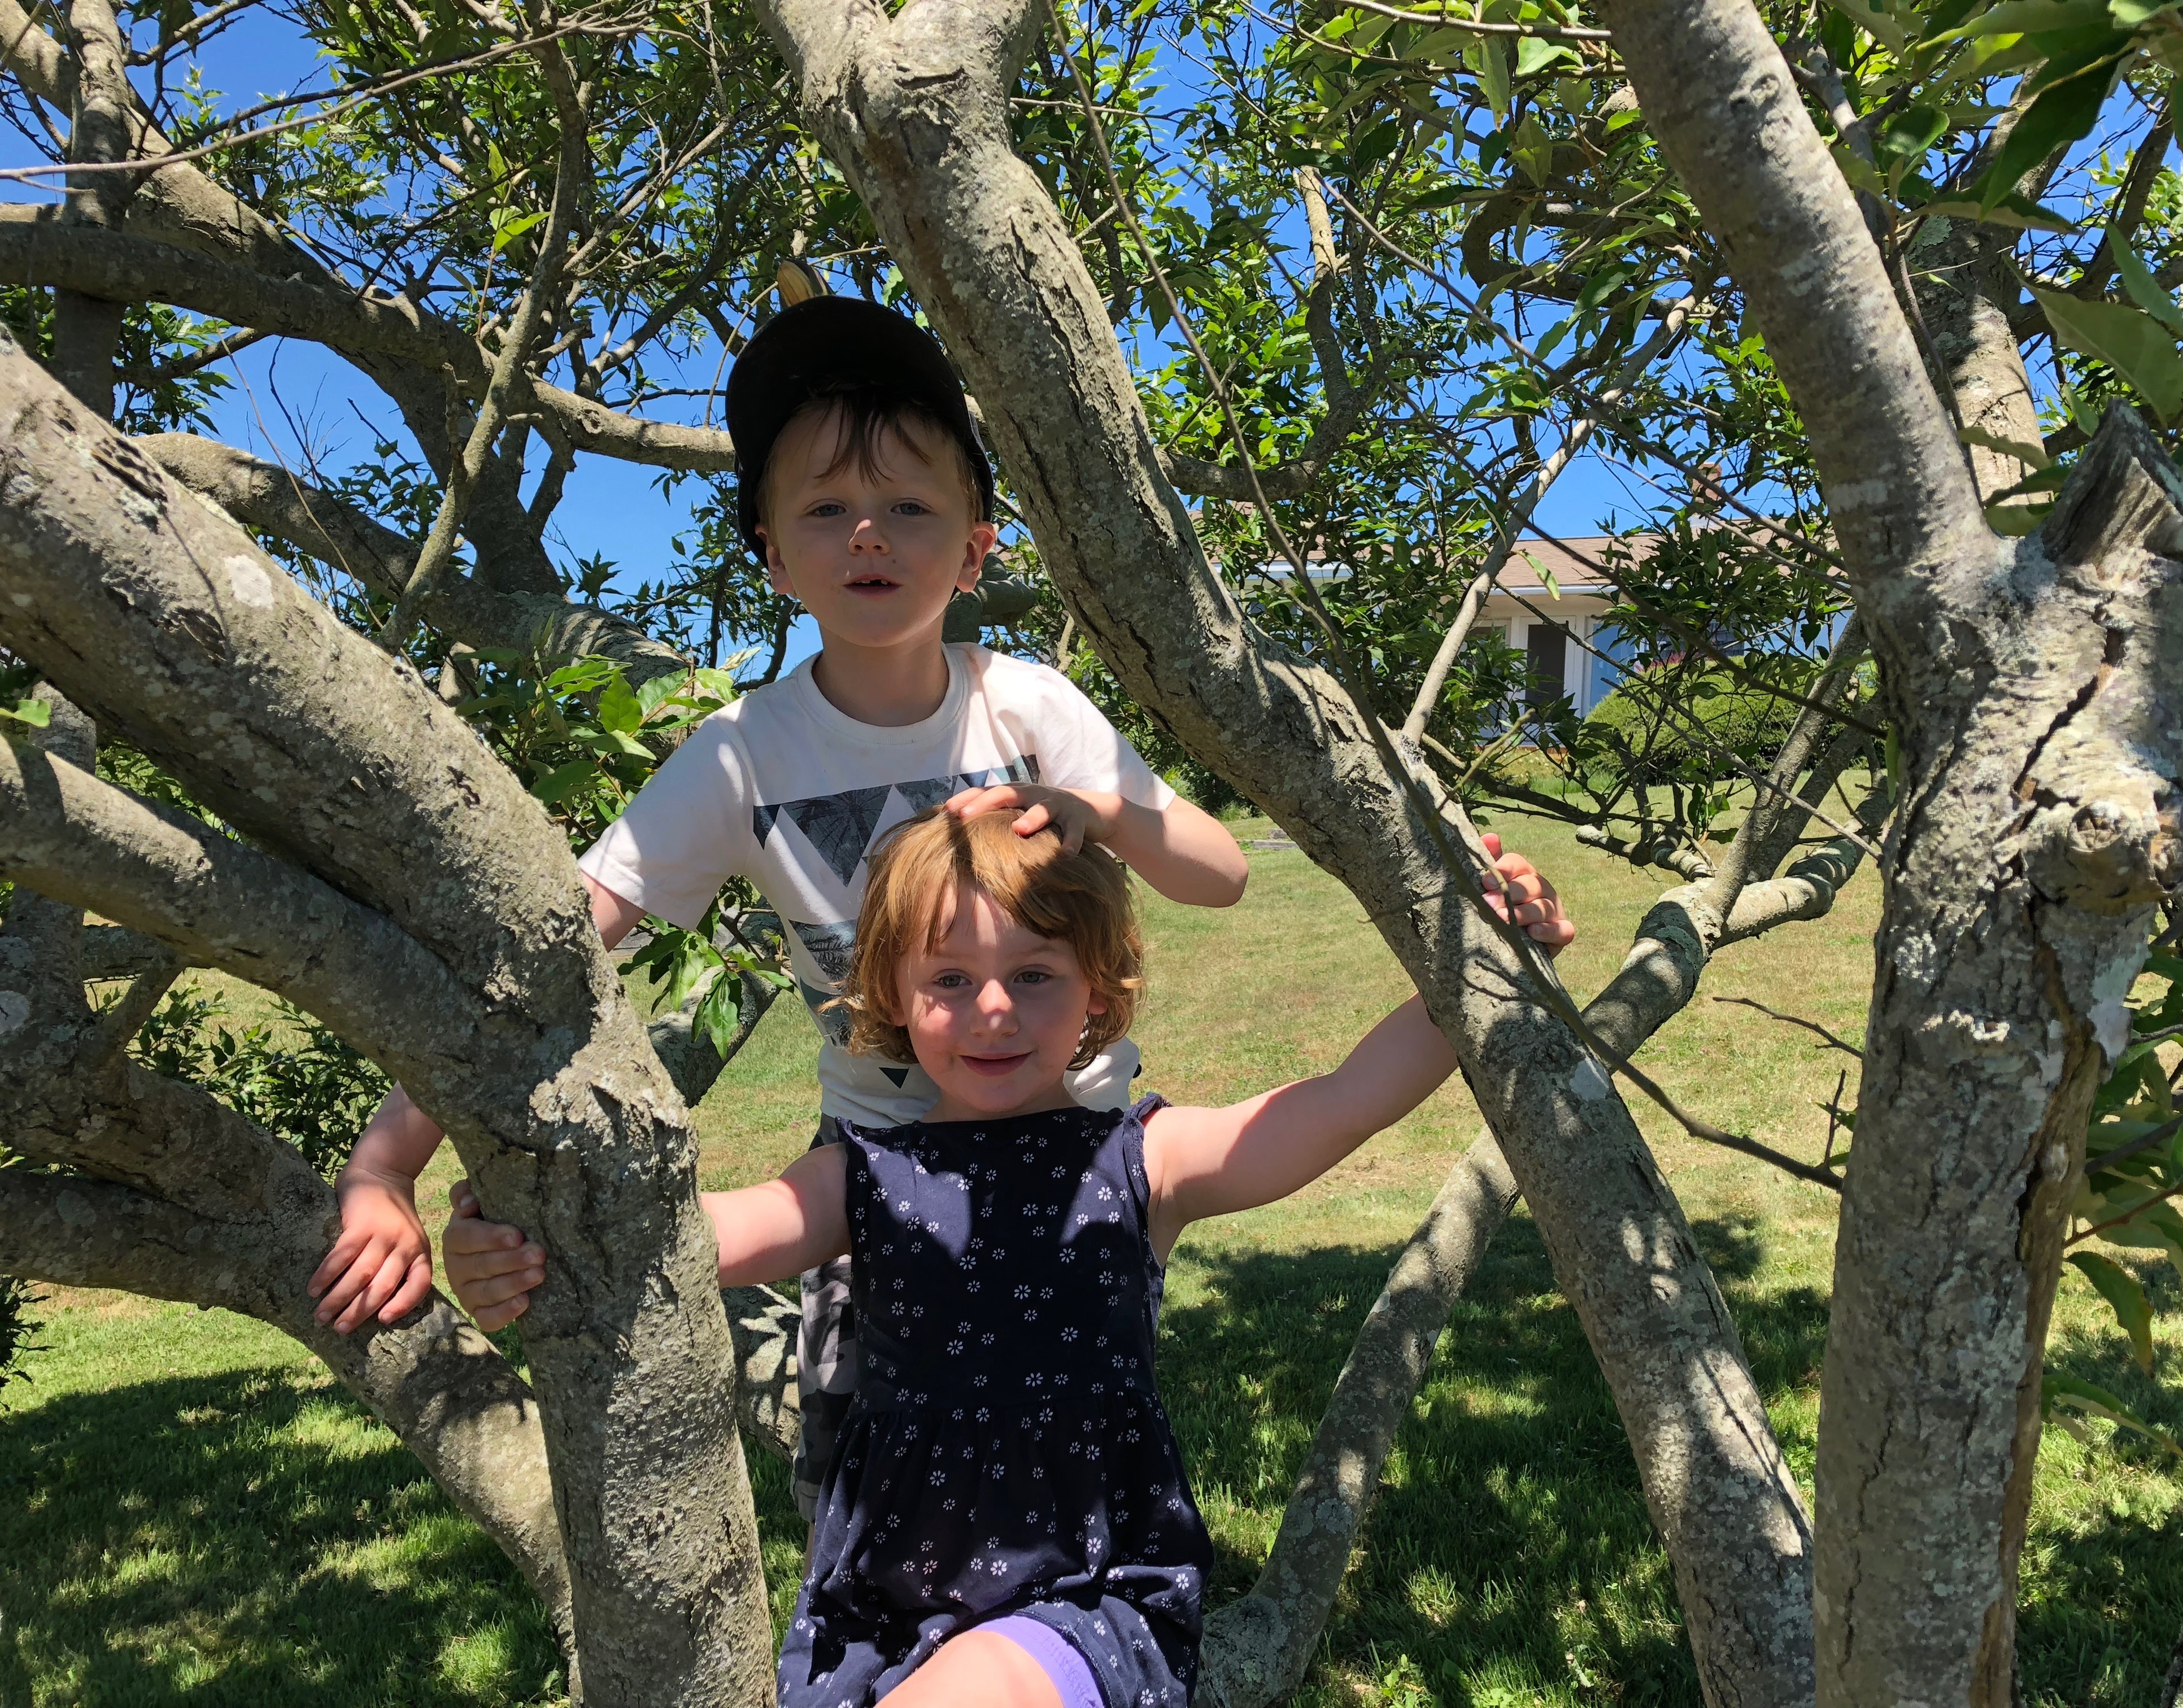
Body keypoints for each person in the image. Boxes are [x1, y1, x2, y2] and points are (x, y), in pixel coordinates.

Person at [307, 295, 1252, 1531]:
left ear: (977, 545)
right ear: (770, 552)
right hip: (872, 1170)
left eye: (913, 506)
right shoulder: (742, 760)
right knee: (868, 1488)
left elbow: (1218, 875)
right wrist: (386, 1164)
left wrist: (1098, 809)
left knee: (1071, 1478)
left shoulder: (1030, 709)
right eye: (824, 508)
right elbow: (546, 950)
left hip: (1071, 1152)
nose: (870, 532)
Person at [442, 805, 1574, 1708]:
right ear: (890, 995)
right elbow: (673, 1247)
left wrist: (1481, 962)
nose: (993, 1010)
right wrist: (503, 1237)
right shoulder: (862, 1179)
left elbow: (1337, 1107)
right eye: (949, 980)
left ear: (1099, 992)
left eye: (1035, 975)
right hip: (874, 1613)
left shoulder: (1143, 1160)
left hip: (1083, 1594)